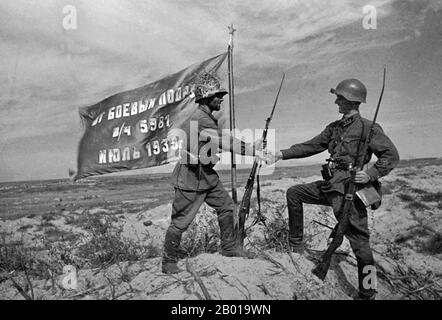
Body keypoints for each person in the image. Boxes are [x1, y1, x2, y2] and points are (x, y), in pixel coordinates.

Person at [266, 78, 400, 299]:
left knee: (359, 241)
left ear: (350, 100)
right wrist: (280, 154)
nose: (336, 100)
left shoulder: (369, 128)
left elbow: (391, 155)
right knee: (295, 193)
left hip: (349, 189)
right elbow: (312, 146)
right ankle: (296, 245)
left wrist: (370, 174)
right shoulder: (334, 128)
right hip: (331, 185)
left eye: (340, 97)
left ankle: (368, 290)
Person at [162, 73, 263, 274]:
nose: (221, 99)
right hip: (190, 179)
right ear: (206, 97)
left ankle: (229, 247)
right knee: (181, 222)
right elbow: (226, 142)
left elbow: (219, 142)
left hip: (207, 175)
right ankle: (168, 262)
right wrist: (253, 150)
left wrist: (251, 146)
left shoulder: (206, 118)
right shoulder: (200, 119)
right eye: (217, 95)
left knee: (226, 207)